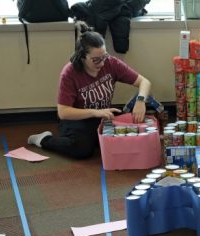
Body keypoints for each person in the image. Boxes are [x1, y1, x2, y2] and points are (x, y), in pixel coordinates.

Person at [27, 21, 156, 159]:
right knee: (82, 150)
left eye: (104, 57)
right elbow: (63, 112)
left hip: (101, 115)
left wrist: (140, 100)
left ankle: (94, 138)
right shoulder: (70, 73)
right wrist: (95, 112)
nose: (101, 63)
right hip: (76, 119)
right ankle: (44, 140)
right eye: (96, 60)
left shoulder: (111, 63)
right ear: (83, 56)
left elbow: (144, 82)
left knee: (122, 136)